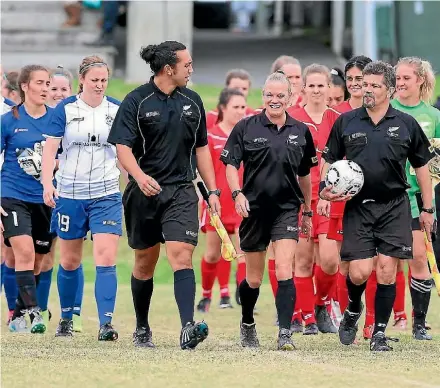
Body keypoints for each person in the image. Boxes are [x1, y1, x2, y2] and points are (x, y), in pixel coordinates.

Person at [107, 41, 220, 350]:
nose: (191, 69)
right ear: (169, 68)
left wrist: (212, 190)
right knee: (145, 262)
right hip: (144, 193)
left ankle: (188, 327)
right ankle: (142, 328)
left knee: (182, 255)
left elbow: (201, 149)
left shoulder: (193, 101)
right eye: (187, 65)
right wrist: (140, 177)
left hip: (182, 191)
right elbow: (122, 146)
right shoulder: (136, 101)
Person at [320, 61, 435, 351]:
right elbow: (329, 160)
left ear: (390, 90)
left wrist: (428, 208)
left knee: (386, 269)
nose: (366, 90)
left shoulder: (405, 124)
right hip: (358, 207)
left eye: (374, 86)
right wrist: (325, 190)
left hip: (395, 205)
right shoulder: (346, 122)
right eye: (364, 84)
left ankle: (380, 333)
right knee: (358, 272)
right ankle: (353, 309)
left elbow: (422, 167)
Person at [220, 71, 317, 350]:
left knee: (285, 268)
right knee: (253, 278)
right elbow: (230, 165)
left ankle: (285, 333)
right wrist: (237, 194)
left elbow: (305, 176)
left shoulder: (301, 131)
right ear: (262, 97)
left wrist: (307, 211)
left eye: (280, 96)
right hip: (254, 210)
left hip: (287, 209)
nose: (275, 100)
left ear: (290, 98)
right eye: (270, 95)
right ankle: (248, 323)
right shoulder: (246, 127)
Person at [41, 56, 121, 341]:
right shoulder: (66, 108)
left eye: (104, 81)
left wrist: (133, 178)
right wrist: (47, 182)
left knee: (106, 257)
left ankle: (106, 324)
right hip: (71, 194)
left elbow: (124, 151)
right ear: (82, 80)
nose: (99, 86)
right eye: (94, 80)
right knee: (70, 260)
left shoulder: (116, 109)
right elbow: (51, 150)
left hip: (106, 194)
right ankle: (66, 318)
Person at [318, 55, 376, 340]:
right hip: (342, 197)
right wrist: (325, 193)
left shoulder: (378, 112)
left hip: (374, 197)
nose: (354, 84)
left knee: (372, 261)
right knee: (339, 261)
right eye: (350, 79)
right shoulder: (335, 113)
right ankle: (344, 314)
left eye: (360, 79)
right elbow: (328, 157)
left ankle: (372, 323)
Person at [1, 64, 54, 334]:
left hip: (45, 198)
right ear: (24, 86)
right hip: (12, 195)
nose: (46, 88)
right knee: (24, 251)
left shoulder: (57, 119)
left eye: (48, 83)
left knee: (38, 260)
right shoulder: (8, 120)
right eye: (40, 83)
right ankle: (35, 311)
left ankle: (18, 314)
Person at [287, 64, 340, 335]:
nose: (317, 90)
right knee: (303, 260)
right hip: (300, 200)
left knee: (330, 260)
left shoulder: (338, 120)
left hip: (330, 200)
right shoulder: (291, 118)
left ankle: (321, 305)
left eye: (322, 85)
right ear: (304, 88)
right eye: (312, 85)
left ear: (329, 88)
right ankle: (306, 318)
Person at [391, 56, 440, 340]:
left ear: (420, 80)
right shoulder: (387, 110)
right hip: (387, 196)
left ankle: (419, 323)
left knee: (419, 257)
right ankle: (376, 321)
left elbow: (436, 162)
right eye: (397, 78)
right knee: (384, 262)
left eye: (406, 78)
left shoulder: (432, 116)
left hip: (416, 198)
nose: (400, 83)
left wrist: (428, 196)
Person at [197, 88, 246, 312]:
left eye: (243, 107)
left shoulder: (247, 135)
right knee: (212, 254)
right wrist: (207, 195)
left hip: (240, 202)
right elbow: (204, 168)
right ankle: (206, 295)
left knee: (243, 253)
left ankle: (243, 294)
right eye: (235, 107)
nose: (240, 111)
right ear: (223, 109)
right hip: (217, 203)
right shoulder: (211, 136)